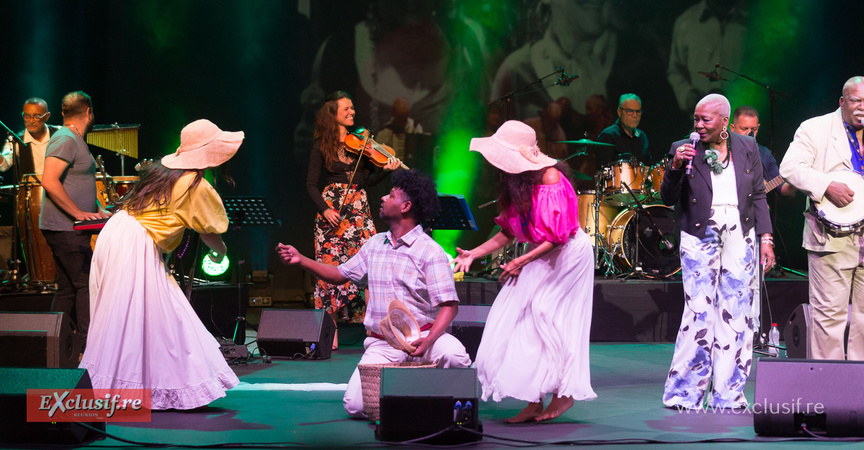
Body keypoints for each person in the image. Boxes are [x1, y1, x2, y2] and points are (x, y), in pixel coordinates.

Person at [279, 169, 471, 419]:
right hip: (384, 343)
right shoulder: (374, 244)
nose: (382, 198)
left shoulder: (430, 251)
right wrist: (301, 259)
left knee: (454, 356)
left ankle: (424, 397)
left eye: (390, 195)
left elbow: (449, 305)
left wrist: (430, 339)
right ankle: (414, 397)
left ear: (405, 207)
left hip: (425, 338)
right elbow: (338, 274)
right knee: (356, 406)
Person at [80, 119, 242, 409]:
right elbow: (209, 232)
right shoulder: (195, 184)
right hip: (135, 243)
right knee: (144, 317)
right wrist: (221, 252)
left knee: (150, 315)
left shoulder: (163, 171)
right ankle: (123, 391)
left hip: (116, 232)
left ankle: (140, 386)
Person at [454, 120, 596, 423]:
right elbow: (507, 231)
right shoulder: (516, 184)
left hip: (568, 256)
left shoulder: (550, 177)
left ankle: (564, 394)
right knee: (518, 321)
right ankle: (533, 400)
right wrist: (474, 253)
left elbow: (557, 236)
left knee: (549, 320)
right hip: (539, 254)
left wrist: (521, 261)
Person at [661, 94, 774, 409]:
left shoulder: (747, 147)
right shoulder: (684, 148)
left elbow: (758, 194)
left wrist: (766, 238)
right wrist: (675, 166)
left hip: (740, 231)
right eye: (695, 119)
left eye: (705, 120)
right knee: (698, 311)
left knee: (737, 312)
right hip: (700, 232)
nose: (698, 125)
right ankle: (685, 394)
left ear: (725, 121)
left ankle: (728, 394)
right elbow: (667, 197)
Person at [778, 76, 864, 361]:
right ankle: (831, 383)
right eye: (856, 100)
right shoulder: (815, 128)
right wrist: (826, 185)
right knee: (829, 318)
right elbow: (790, 167)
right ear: (842, 102)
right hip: (831, 236)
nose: (862, 107)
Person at [306, 91, 401, 350]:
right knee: (328, 269)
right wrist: (325, 210)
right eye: (346, 109)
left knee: (371, 270)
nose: (352, 112)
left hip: (359, 210)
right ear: (332, 113)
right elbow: (311, 185)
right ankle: (330, 333)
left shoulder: (361, 144)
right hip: (332, 212)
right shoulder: (321, 146)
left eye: (352, 108)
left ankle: (375, 330)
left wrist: (385, 171)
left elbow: (367, 181)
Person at [39, 91, 111, 352]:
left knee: (68, 289)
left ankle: (54, 348)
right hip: (65, 228)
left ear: (63, 112)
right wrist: (79, 213)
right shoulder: (65, 138)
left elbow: (78, 182)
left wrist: (98, 209)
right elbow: (49, 181)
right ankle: (87, 348)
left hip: (68, 227)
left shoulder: (73, 138)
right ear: (89, 112)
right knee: (85, 284)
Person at [667, 0, 747, 113]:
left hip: (742, 116)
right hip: (700, 117)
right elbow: (675, 70)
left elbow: (763, 70)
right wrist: (687, 95)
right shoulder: (686, 21)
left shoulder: (753, 20)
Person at [730, 106, 796, 196]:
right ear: (732, 128)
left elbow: (781, 187)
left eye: (754, 129)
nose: (750, 133)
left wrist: (797, 181)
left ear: (758, 127)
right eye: (744, 129)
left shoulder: (764, 153)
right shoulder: (722, 151)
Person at [1, 97, 60, 177]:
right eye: (27, 116)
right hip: (30, 185)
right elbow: (4, 166)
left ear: (47, 116)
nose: (31, 121)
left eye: (36, 116)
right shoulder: (15, 140)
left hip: (60, 184)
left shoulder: (60, 133)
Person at [596, 93, 652, 168]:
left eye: (638, 111)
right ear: (619, 112)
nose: (635, 115)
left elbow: (649, 166)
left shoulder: (642, 137)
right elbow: (603, 168)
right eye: (629, 111)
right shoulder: (608, 136)